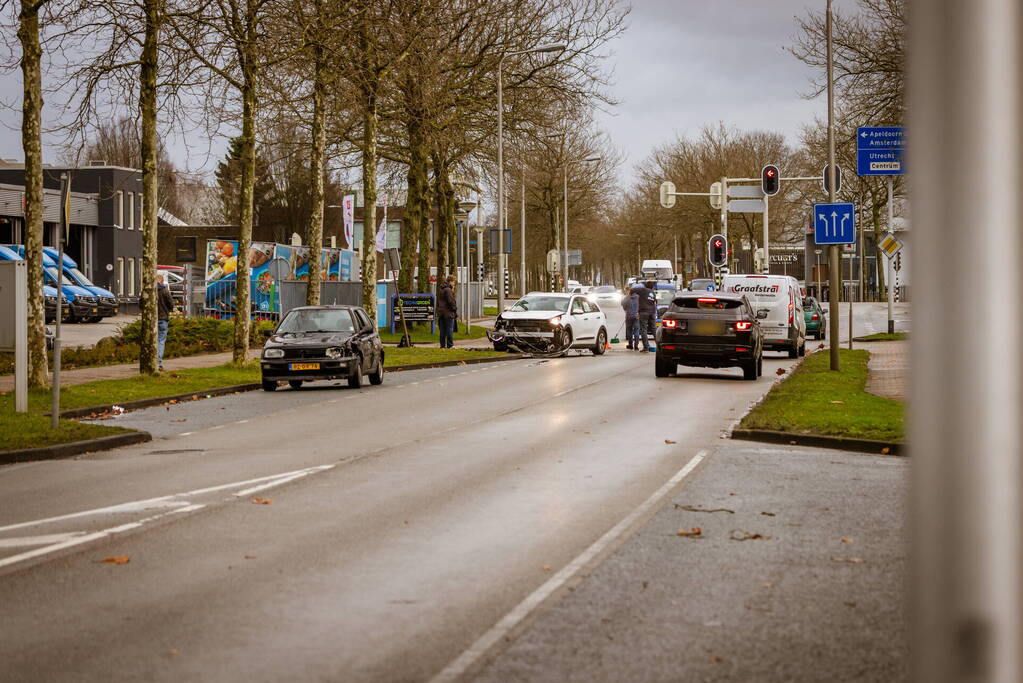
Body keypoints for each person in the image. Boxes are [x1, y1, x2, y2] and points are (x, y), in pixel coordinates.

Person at [156, 271, 175, 371]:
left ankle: (150, 359)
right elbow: (171, 304)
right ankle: (158, 362)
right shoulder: (165, 291)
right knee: (161, 340)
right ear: (162, 281)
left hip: (152, 320)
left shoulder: (148, 290)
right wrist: (169, 309)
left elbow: (141, 304)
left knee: (151, 340)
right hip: (163, 319)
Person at [437, 274, 458, 349]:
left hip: (441, 312)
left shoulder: (442, 289)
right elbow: (451, 301)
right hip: (448, 312)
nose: (454, 283)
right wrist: (454, 308)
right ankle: (450, 345)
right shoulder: (448, 290)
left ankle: (442, 345)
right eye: (453, 282)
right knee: (449, 329)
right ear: (450, 281)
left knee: (442, 330)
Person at [636, 280, 657, 352]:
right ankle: (660, 347)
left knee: (643, 330)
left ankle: (646, 347)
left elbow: (634, 289)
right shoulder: (653, 293)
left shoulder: (643, 290)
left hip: (644, 312)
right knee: (654, 329)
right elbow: (655, 302)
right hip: (652, 312)